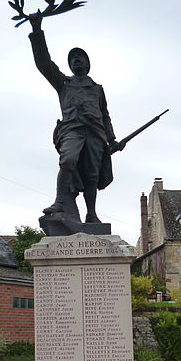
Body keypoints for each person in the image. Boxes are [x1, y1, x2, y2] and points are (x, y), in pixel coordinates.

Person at [28, 12, 123, 223]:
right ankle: (60, 201)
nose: (77, 60)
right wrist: (37, 31)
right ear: (70, 65)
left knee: (92, 175)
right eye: (73, 58)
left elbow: (105, 115)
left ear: (88, 64)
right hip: (72, 130)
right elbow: (44, 64)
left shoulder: (97, 89)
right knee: (68, 160)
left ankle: (91, 214)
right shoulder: (64, 84)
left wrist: (112, 139)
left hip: (96, 134)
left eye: (81, 57)